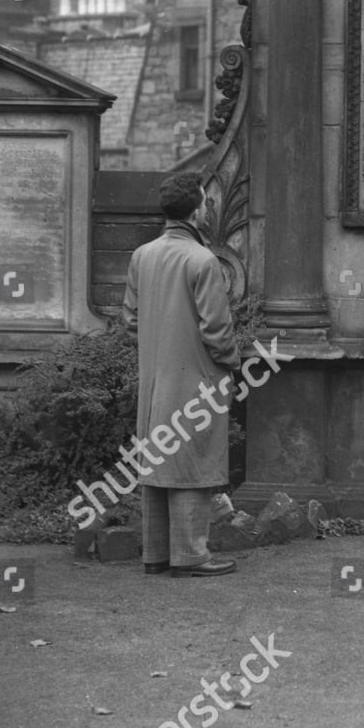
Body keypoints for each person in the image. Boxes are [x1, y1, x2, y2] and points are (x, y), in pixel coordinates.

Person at [123, 171, 241, 577]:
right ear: (195, 211)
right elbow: (217, 330)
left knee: (158, 458)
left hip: (155, 376)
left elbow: (131, 320)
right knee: (193, 459)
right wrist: (232, 362)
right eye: (206, 203)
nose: (208, 208)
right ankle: (191, 556)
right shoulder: (203, 260)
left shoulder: (142, 255)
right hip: (196, 376)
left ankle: (156, 555)